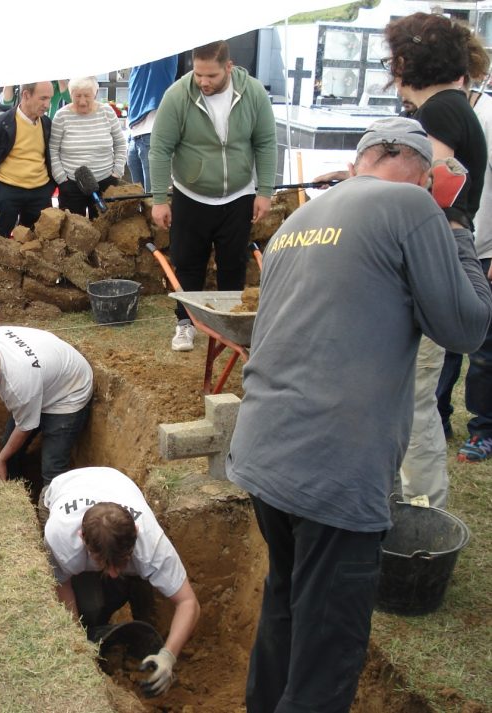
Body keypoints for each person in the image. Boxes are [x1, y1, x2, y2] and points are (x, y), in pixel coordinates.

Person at [226, 117, 492, 713]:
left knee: (286, 604)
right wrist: (456, 228)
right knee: (328, 648)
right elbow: (467, 326)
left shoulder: (298, 220)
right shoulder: (411, 206)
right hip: (335, 465)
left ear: (360, 160)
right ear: (422, 174)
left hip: (267, 451)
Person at [384, 13, 489, 499]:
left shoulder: (442, 110)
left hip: (433, 259)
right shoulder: (452, 105)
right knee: (413, 394)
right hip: (439, 256)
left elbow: (433, 188)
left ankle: (422, 513)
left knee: (416, 399)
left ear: (405, 61)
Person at [148, 40, 277, 352]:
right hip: (192, 194)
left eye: (212, 76)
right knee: (188, 262)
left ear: (229, 68)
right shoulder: (178, 95)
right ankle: (185, 324)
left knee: (233, 263)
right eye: (198, 75)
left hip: (238, 194)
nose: (204, 82)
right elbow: (160, 148)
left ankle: (231, 325)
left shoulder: (254, 93)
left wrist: (265, 192)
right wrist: (159, 199)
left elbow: (266, 143)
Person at [41, 467, 200, 698]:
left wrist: (168, 656)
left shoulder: (151, 542)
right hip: (60, 489)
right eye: (105, 564)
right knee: (91, 606)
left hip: (116, 481)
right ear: (82, 538)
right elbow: (62, 586)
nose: (115, 573)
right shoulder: (60, 536)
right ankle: (97, 631)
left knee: (133, 590)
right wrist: (78, 645)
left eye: (123, 561)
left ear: (136, 531)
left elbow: (188, 602)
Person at [435, 31, 492, 464]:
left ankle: (482, 428)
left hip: (483, 240)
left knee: (485, 348)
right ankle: (436, 414)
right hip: (456, 238)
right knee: (444, 341)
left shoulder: (482, 115)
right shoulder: (440, 115)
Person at [0, 326, 93, 490]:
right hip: (46, 374)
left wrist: (0, 461)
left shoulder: (18, 385)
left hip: (69, 392)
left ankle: (50, 510)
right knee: (9, 447)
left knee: (52, 467)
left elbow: (24, 428)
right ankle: (16, 492)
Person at [0, 82, 56, 237]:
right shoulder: (0, 124)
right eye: (43, 98)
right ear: (26, 95)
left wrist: (48, 188)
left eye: (49, 99)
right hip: (7, 192)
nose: (47, 104)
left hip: (40, 193)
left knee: (37, 244)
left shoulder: (47, 124)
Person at [49, 77, 127, 216]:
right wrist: (61, 179)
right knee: (73, 231)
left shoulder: (107, 112)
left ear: (95, 94)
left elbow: (120, 144)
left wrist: (117, 172)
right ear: (70, 94)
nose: (82, 101)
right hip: (71, 184)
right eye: (77, 96)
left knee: (104, 230)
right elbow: (53, 150)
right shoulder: (62, 116)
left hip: (105, 182)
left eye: (87, 96)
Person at [126, 55, 179, 192]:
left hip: (153, 132)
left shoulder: (160, 57)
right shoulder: (136, 67)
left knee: (154, 201)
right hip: (134, 134)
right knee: (139, 203)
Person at [0, 80, 69, 119]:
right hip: (22, 122)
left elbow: (69, 98)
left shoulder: (56, 82)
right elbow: (6, 100)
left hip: (47, 126)